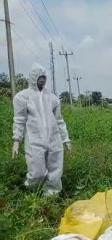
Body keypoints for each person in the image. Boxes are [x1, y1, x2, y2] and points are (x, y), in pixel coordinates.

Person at [12, 63, 71, 196]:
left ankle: (51, 196)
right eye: (40, 77)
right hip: (34, 140)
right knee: (36, 171)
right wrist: (17, 140)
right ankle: (33, 194)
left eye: (44, 77)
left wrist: (65, 139)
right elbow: (19, 120)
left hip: (54, 139)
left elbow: (59, 120)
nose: (42, 80)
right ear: (33, 78)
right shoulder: (22, 97)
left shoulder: (52, 98)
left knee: (55, 170)